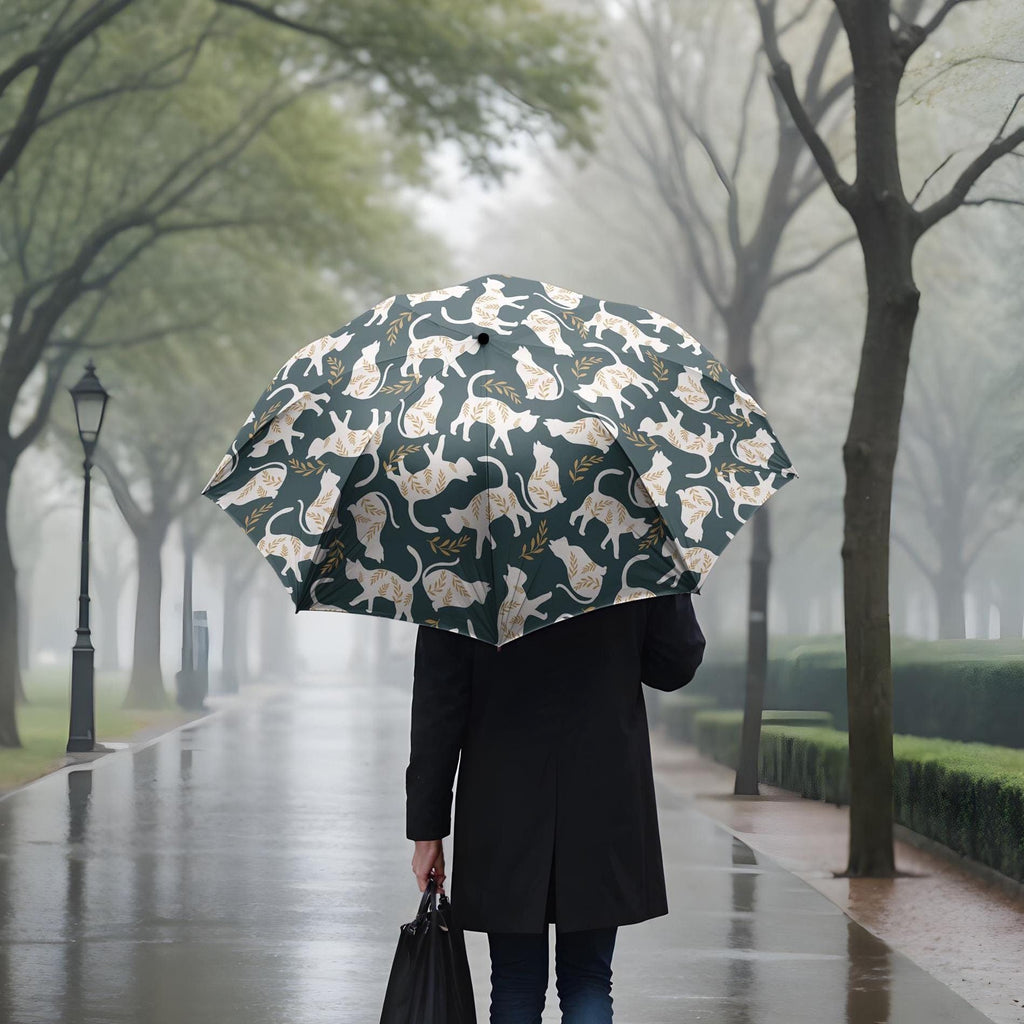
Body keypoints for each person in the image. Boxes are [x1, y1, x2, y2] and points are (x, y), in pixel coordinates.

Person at [405, 591, 706, 1024]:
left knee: (514, 981)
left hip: (502, 800)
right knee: (589, 979)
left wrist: (427, 829)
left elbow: (439, 702)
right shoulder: (626, 541)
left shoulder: (462, 554)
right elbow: (675, 664)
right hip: (603, 792)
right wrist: (666, 589)